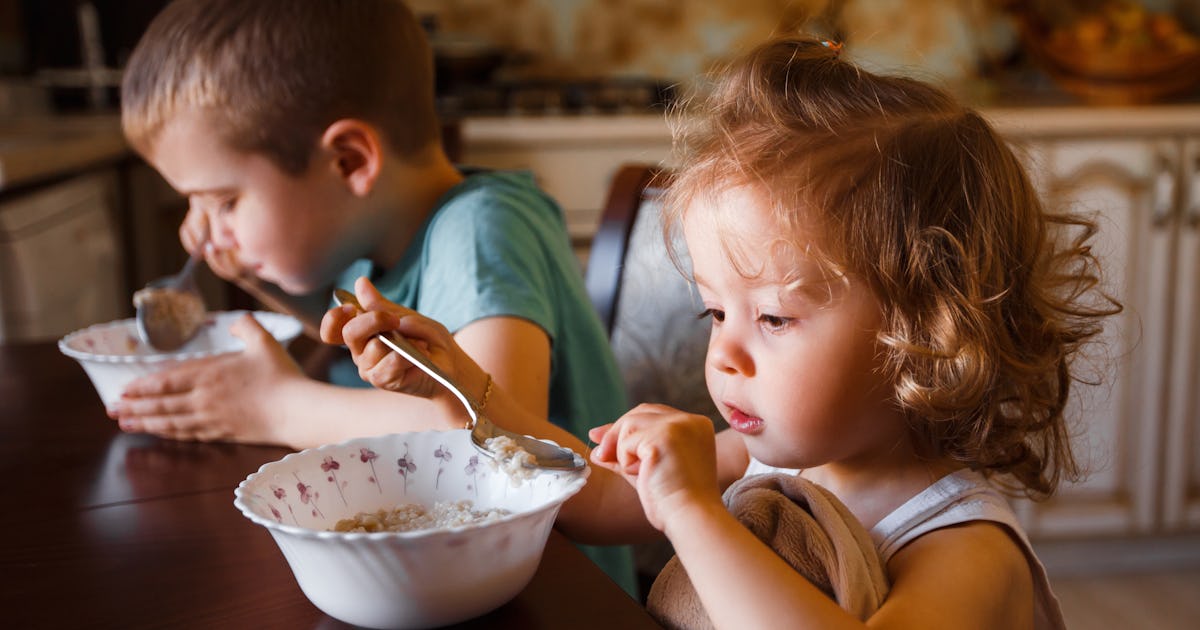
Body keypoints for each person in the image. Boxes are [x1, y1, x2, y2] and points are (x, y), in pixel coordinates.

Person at [322, 36, 1121, 628]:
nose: (726, 354)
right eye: (716, 312)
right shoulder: (767, 459)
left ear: (929, 334)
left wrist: (695, 512)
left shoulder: (963, 546)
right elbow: (595, 497)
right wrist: (462, 382)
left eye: (773, 317)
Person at [112, 0, 635, 595]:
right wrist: (256, 272)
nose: (201, 229)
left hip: (559, 592)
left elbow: (479, 435)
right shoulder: (382, 239)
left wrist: (275, 406)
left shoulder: (483, 229)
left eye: (225, 201)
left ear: (349, 160)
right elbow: (370, 350)